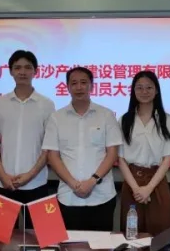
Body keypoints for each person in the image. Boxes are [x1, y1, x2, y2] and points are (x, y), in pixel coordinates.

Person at [42, 67, 122, 231]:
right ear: (67, 87)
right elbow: (53, 156)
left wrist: (92, 181)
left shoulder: (106, 115)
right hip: (68, 197)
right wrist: (73, 184)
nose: (79, 87)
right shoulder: (56, 118)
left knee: (101, 245)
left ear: (92, 86)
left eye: (84, 82)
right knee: (70, 245)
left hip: (102, 196)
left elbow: (112, 153)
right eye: (74, 83)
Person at [0, 50, 56, 228]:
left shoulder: (47, 105)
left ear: (36, 71)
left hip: (36, 183)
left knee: (38, 236)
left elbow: (48, 147)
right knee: (0, 235)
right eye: (17, 68)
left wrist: (29, 175)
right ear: (10, 71)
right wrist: (2, 175)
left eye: (27, 67)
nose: (22, 72)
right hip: (3, 183)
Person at [117, 71, 170, 235]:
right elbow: (120, 159)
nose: (144, 92)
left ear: (156, 90)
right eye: (139, 88)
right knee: (132, 234)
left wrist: (148, 188)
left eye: (149, 87)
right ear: (133, 91)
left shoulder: (166, 120)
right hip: (132, 182)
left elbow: (167, 159)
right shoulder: (125, 120)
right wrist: (137, 189)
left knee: (161, 232)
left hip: (157, 181)